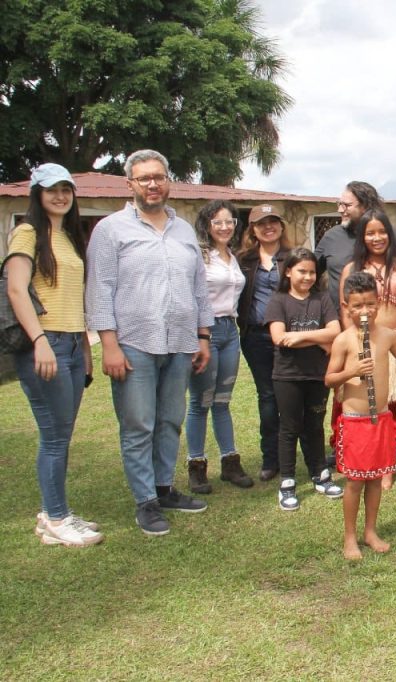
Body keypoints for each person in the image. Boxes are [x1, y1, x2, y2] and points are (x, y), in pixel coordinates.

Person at [86, 149, 212, 536]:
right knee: (138, 424)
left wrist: (203, 336)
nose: (153, 184)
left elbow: (199, 288)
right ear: (131, 185)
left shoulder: (184, 230)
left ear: (168, 180)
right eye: (144, 178)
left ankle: (164, 488)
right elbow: (99, 289)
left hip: (179, 344)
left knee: (170, 420)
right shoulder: (110, 230)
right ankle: (145, 502)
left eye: (159, 176)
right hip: (133, 344)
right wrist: (109, 343)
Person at [6, 163, 101, 547]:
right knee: (54, 437)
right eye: (51, 190)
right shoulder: (27, 233)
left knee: (62, 434)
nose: (60, 196)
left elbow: (72, 296)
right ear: (37, 194)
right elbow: (15, 290)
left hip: (74, 345)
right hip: (45, 346)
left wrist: (85, 348)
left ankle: (54, 511)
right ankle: (57, 518)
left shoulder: (68, 237)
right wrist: (40, 340)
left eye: (66, 189)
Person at [325, 272, 396, 560]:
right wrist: (351, 373)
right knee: (354, 481)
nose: (364, 311)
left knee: (377, 478)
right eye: (357, 306)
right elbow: (329, 379)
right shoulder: (343, 340)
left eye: (369, 304)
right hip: (354, 421)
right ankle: (350, 537)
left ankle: (370, 531)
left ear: (378, 303)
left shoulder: (388, 335)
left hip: (380, 418)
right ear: (346, 307)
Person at [340, 209, 396, 489]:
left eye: (382, 231)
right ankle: (381, 464)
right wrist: (354, 349)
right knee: (377, 409)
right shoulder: (352, 269)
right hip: (368, 348)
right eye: (370, 233)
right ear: (362, 237)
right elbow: (344, 313)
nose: (377, 238)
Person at [265, 248, 342, 511]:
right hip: (287, 375)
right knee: (289, 427)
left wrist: (298, 337)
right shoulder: (278, 301)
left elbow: (335, 331)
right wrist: (318, 339)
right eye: (302, 271)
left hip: (316, 374)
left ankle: (320, 473)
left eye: (312, 272)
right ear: (288, 271)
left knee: (315, 425)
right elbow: (279, 338)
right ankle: (287, 481)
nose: (308, 276)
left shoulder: (323, 299)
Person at [184, 200, 253, 494]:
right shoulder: (200, 256)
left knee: (223, 400)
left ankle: (230, 462)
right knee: (201, 402)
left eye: (230, 222)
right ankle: (196, 466)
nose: (225, 227)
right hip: (206, 331)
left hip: (229, 331)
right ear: (207, 225)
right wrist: (199, 337)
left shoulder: (232, 256)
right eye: (218, 222)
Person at [237, 203, 292, 482]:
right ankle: (271, 458)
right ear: (253, 230)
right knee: (268, 397)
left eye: (273, 222)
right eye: (261, 223)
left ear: (281, 226)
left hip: (292, 337)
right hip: (257, 337)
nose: (268, 227)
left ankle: (298, 457)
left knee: (293, 397)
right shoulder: (243, 261)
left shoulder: (294, 258)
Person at [316, 180, 396, 312]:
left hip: (388, 327)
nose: (340, 210)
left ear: (366, 206)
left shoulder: (395, 237)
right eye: (339, 204)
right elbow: (310, 273)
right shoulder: (331, 237)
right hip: (342, 326)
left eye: (346, 205)